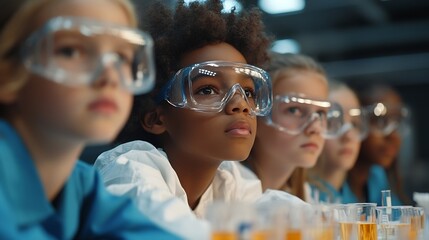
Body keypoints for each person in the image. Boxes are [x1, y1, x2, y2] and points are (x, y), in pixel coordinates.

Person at [94, 1, 307, 239]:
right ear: (156, 118)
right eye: (207, 90)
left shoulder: (232, 180)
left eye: (248, 92)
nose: (241, 104)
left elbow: (286, 217)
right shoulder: (130, 169)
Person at [0, 0, 180, 238]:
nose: (110, 77)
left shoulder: (79, 186)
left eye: (122, 57)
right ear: (7, 74)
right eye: (71, 51)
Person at [242, 53, 343, 202]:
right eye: (294, 110)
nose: (314, 128)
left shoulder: (307, 196)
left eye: (321, 113)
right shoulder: (226, 189)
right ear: (257, 114)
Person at [347, 84, 410, 205]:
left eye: (397, 122)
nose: (393, 136)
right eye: (380, 121)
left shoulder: (376, 175)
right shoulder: (333, 182)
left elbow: (396, 218)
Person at [308, 80, 368, 204]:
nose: (349, 136)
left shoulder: (354, 194)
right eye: (333, 122)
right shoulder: (303, 197)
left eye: (355, 124)